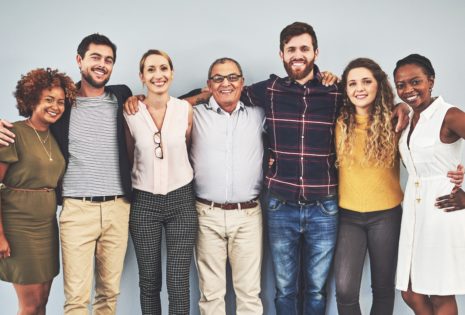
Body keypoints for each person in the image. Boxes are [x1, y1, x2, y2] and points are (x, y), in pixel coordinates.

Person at [0, 33, 133, 315]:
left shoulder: (122, 96)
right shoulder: (63, 104)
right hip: (76, 210)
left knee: (109, 294)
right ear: (79, 60)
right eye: (95, 57)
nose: (102, 64)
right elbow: (27, 123)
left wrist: (204, 96)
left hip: (118, 209)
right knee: (76, 299)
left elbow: (162, 104)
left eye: (108, 60)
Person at [123, 49, 197, 315]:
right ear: (141, 76)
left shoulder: (184, 109)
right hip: (144, 203)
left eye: (163, 68)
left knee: (178, 282)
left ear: (172, 73)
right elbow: (130, 157)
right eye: (151, 69)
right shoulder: (130, 113)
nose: (158, 75)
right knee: (149, 281)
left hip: (181, 201)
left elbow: (187, 149)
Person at [191, 57, 265, 315]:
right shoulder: (192, 115)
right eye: (218, 78)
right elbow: (160, 105)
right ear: (208, 85)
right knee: (210, 296)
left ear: (242, 83)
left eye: (232, 77)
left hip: (248, 216)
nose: (226, 83)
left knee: (249, 294)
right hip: (206, 215)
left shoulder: (258, 115)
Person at [0, 68, 76, 314]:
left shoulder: (55, 136)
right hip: (19, 228)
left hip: (47, 226)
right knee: (30, 305)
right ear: (32, 100)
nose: (56, 106)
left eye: (61, 102)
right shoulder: (12, 133)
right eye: (49, 100)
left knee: (41, 302)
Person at [395, 54, 465, 315]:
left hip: (441, 212)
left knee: (438, 292)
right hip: (414, 212)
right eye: (401, 85)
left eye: (416, 82)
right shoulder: (410, 119)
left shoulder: (449, 115)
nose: (408, 90)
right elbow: (414, 165)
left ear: (431, 81)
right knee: (411, 292)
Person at [333, 58, 404, 315]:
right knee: (344, 290)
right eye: (352, 83)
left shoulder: (396, 123)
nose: (359, 88)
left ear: (379, 85)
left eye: (366, 81)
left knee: (383, 288)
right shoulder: (338, 122)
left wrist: (403, 106)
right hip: (347, 217)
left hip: (387, 215)